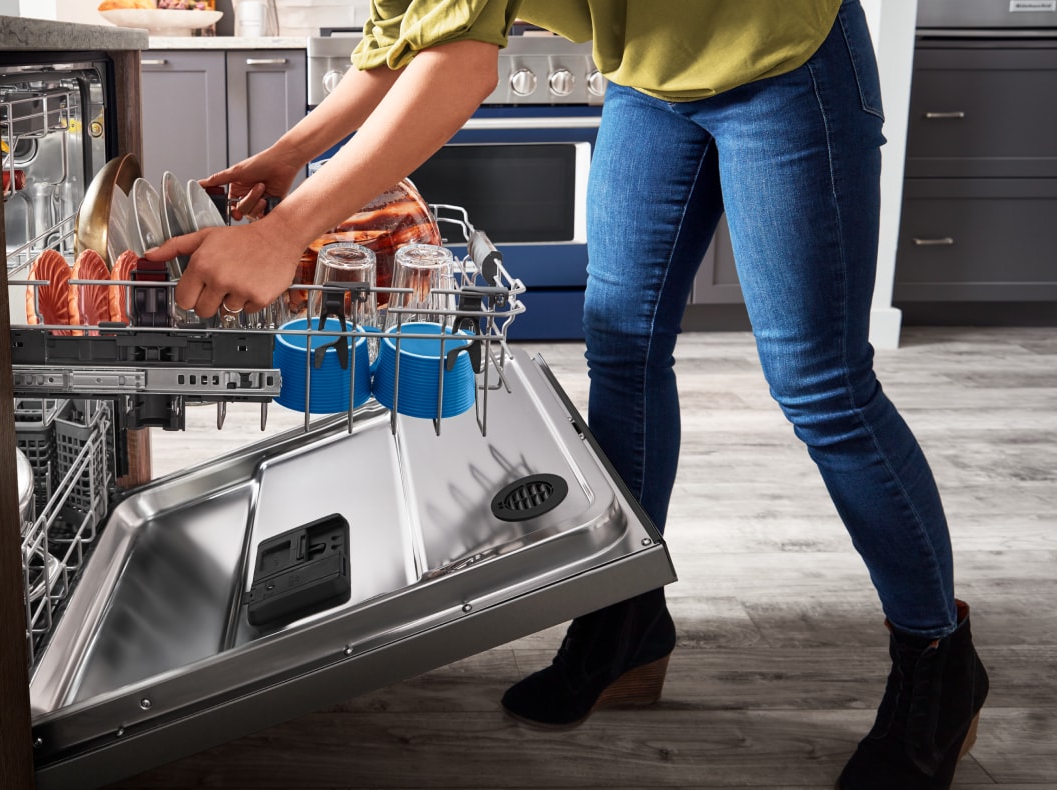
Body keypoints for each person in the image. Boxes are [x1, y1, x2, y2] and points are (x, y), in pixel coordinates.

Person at [143, 2, 988, 787]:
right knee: (622, 349)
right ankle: (626, 623)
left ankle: (937, 659)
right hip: (652, 73)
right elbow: (402, 44)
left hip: (776, 48)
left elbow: (461, 67)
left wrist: (285, 231)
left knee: (820, 384)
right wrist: (289, 158)